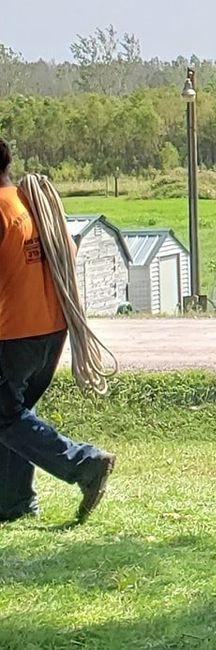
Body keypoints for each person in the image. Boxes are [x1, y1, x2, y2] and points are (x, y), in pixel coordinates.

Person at [0, 140, 115, 523]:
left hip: (12, 332)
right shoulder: (31, 204)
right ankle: (15, 504)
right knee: (15, 417)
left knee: (6, 416)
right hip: (51, 331)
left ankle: (83, 463)